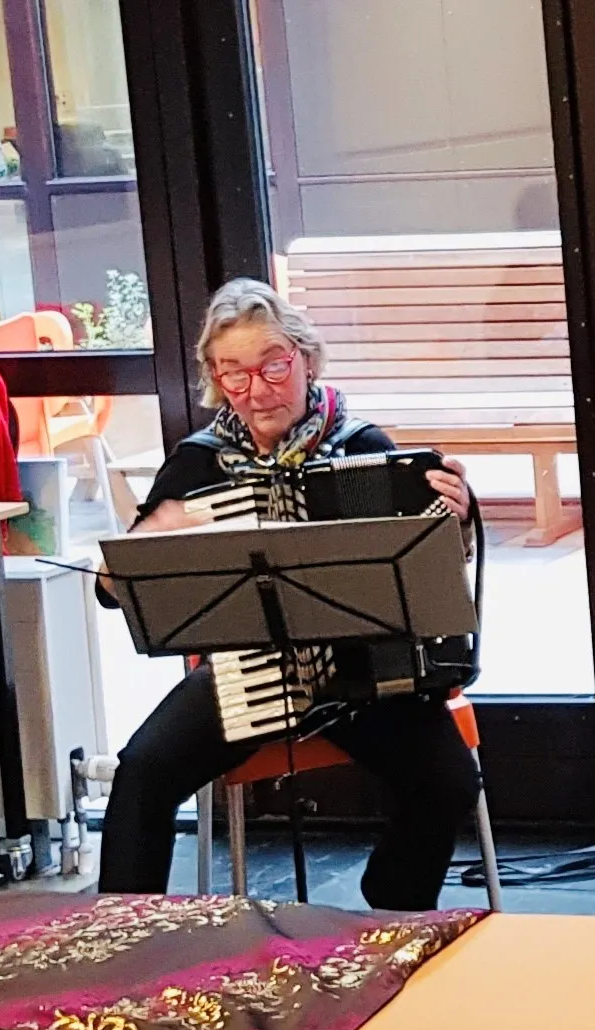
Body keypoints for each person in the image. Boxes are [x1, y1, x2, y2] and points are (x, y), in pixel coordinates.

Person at [95, 279, 480, 903]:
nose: (257, 389)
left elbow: (432, 582)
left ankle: (394, 905)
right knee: (143, 771)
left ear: (305, 358)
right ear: (215, 380)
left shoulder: (364, 449)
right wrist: (138, 552)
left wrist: (457, 521)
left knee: (448, 783)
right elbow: (116, 595)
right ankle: (120, 931)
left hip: (361, 675)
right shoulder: (198, 463)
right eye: (234, 375)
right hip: (250, 670)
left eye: (273, 365)